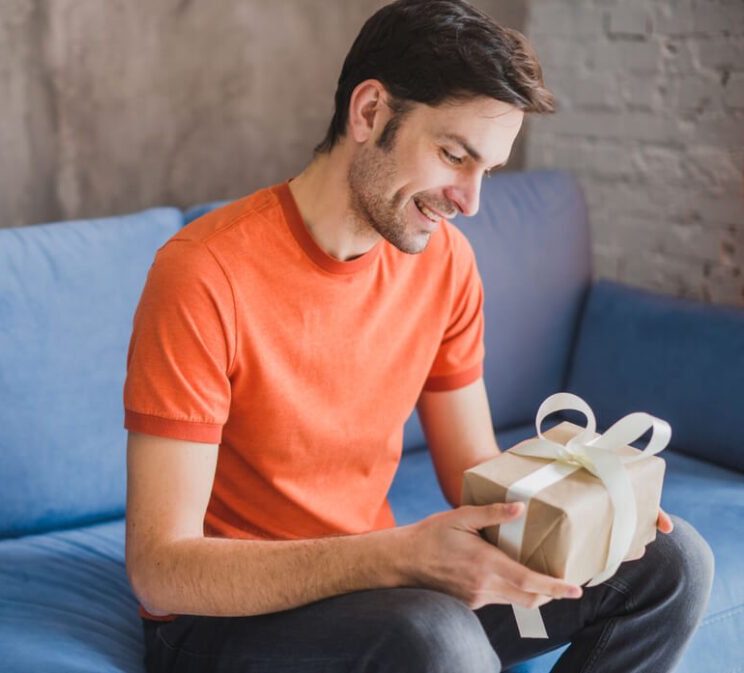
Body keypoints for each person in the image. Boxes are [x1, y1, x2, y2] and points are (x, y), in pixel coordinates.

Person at [122, 1, 714, 671]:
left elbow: (474, 473)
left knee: (672, 564)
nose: (471, 200)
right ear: (370, 112)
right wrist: (395, 555)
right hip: (224, 620)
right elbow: (160, 568)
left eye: (486, 170)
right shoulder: (204, 273)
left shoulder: (446, 262)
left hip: (381, 590)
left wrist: (588, 503)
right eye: (455, 155)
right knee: (437, 637)